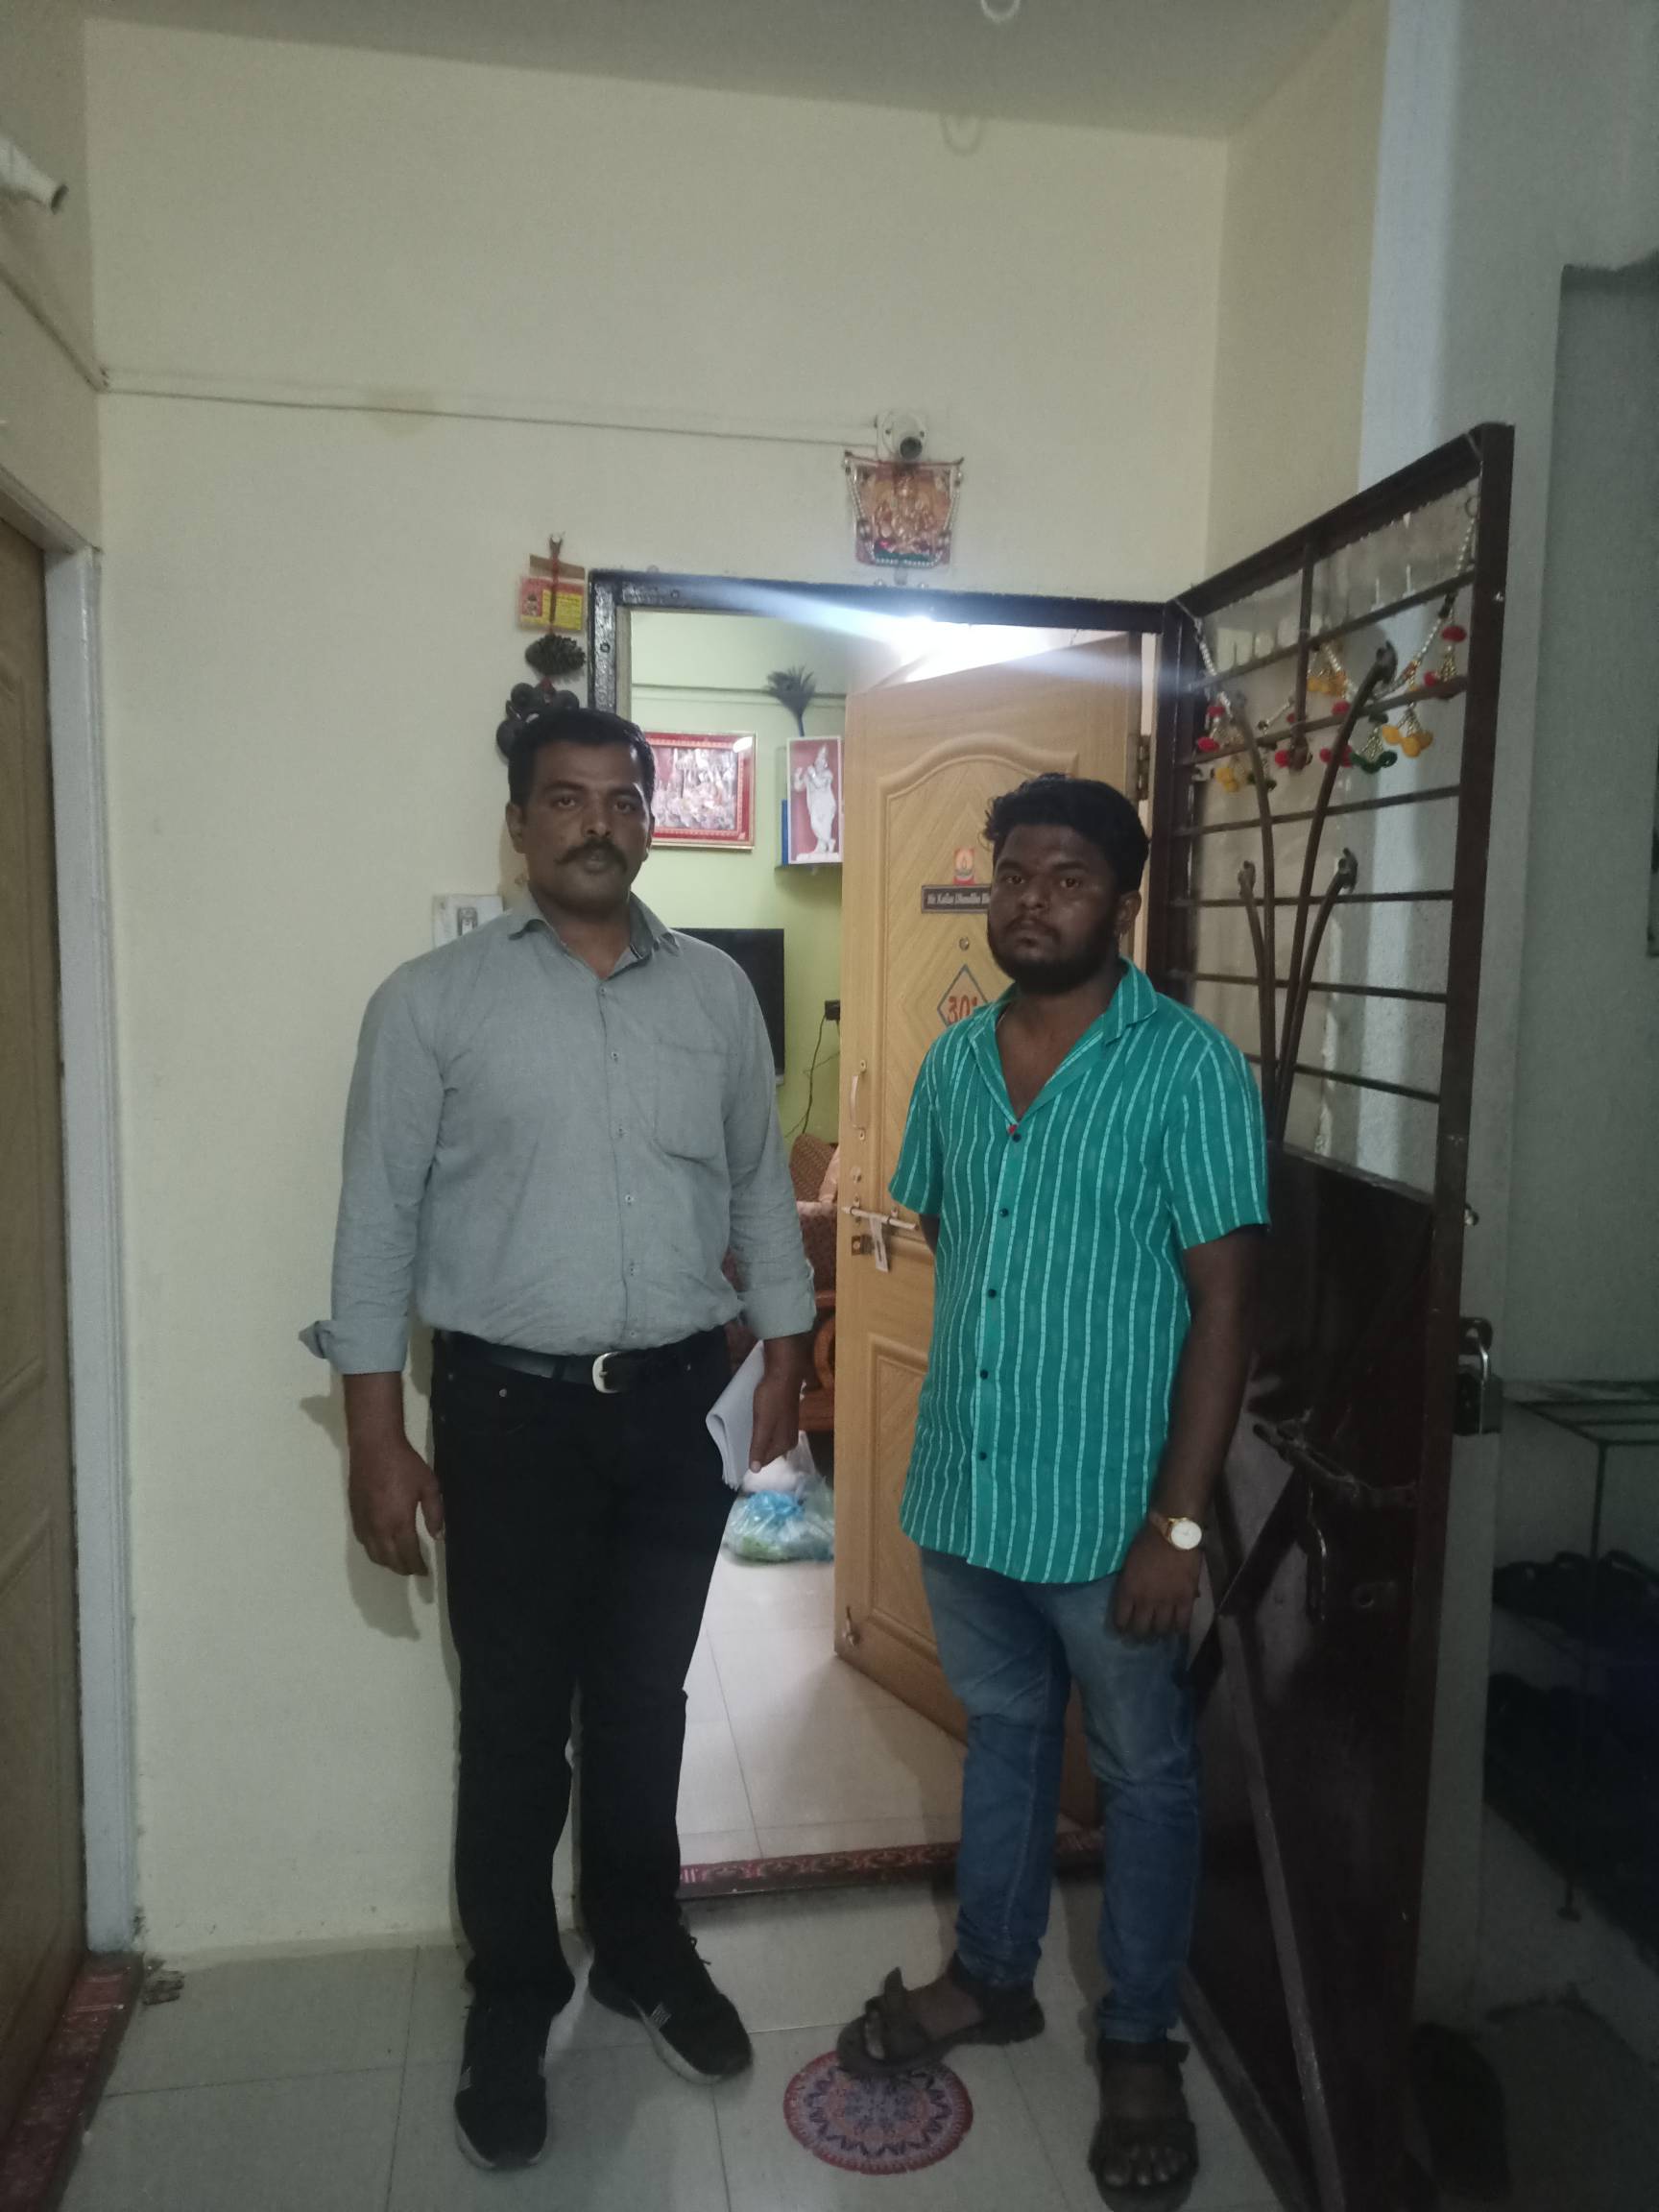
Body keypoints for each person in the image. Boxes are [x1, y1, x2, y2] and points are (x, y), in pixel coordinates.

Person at [303, 689, 815, 2172]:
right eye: (568, 798)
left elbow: (755, 1186)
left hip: (675, 1409)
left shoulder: (714, 995)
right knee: (518, 1725)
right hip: (507, 1416)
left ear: (649, 820)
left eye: (623, 798)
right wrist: (376, 1436)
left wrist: (786, 1354)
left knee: (646, 1705)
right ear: (520, 824)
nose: (600, 822)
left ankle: (643, 1944)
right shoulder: (431, 1005)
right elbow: (375, 1228)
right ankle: (514, 1995)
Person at [837, 774, 1267, 2212]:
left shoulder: (1189, 1071)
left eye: (1068, 877)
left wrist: (1178, 1525)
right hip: (970, 1500)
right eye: (1013, 874)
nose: (1032, 900)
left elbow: (1225, 1308)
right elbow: (953, 1237)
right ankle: (994, 1977)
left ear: (1122, 903)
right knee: (1007, 1744)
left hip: (1113, 1525)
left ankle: (1139, 2038)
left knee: (1144, 1778)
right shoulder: (957, 1062)